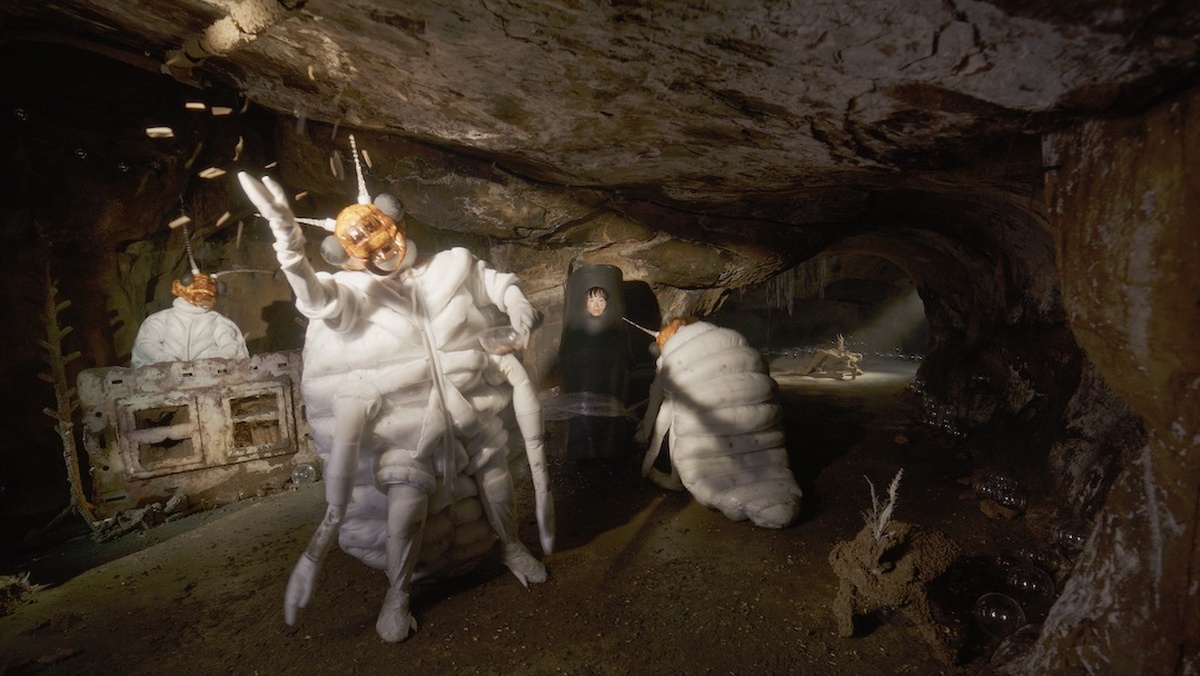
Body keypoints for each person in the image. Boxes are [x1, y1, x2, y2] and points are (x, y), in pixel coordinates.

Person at [238, 168, 551, 643]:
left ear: (396, 223)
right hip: (406, 428)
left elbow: (496, 282)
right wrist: (286, 239)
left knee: (496, 481)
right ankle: (398, 591)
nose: (386, 254)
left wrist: (517, 304)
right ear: (349, 259)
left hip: (469, 410)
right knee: (405, 504)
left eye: (388, 242)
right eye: (372, 253)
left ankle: (510, 547)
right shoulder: (353, 295)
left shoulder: (452, 266)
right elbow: (314, 297)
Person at [130, 271, 248, 367]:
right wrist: (163, 359)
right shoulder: (161, 319)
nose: (202, 299)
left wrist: (215, 359)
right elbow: (146, 343)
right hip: (166, 379)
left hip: (207, 379)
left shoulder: (219, 322)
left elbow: (231, 345)